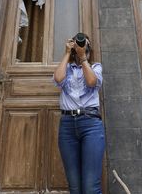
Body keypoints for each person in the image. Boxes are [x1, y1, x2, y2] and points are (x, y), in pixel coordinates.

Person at [53, 33, 105, 194]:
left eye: (85, 46)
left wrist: (83, 59)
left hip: (90, 124)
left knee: (90, 187)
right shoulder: (67, 68)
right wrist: (67, 53)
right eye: (79, 45)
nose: (82, 48)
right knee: (74, 187)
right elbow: (58, 78)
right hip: (67, 125)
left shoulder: (95, 67)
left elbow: (91, 82)